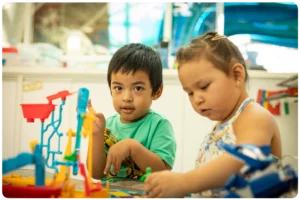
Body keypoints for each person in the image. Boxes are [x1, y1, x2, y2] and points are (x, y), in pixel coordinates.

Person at [144, 31, 282, 199]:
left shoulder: (254, 116)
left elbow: (244, 160)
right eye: (190, 93)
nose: (197, 99)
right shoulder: (221, 127)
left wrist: (184, 182)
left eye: (204, 86)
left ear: (236, 75)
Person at [87, 43, 176, 181]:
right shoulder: (107, 125)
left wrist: (132, 147)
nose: (127, 98)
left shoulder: (159, 125)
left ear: (157, 92)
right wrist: (97, 136)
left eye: (138, 88)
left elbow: (163, 172)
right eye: (118, 88)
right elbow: (96, 174)